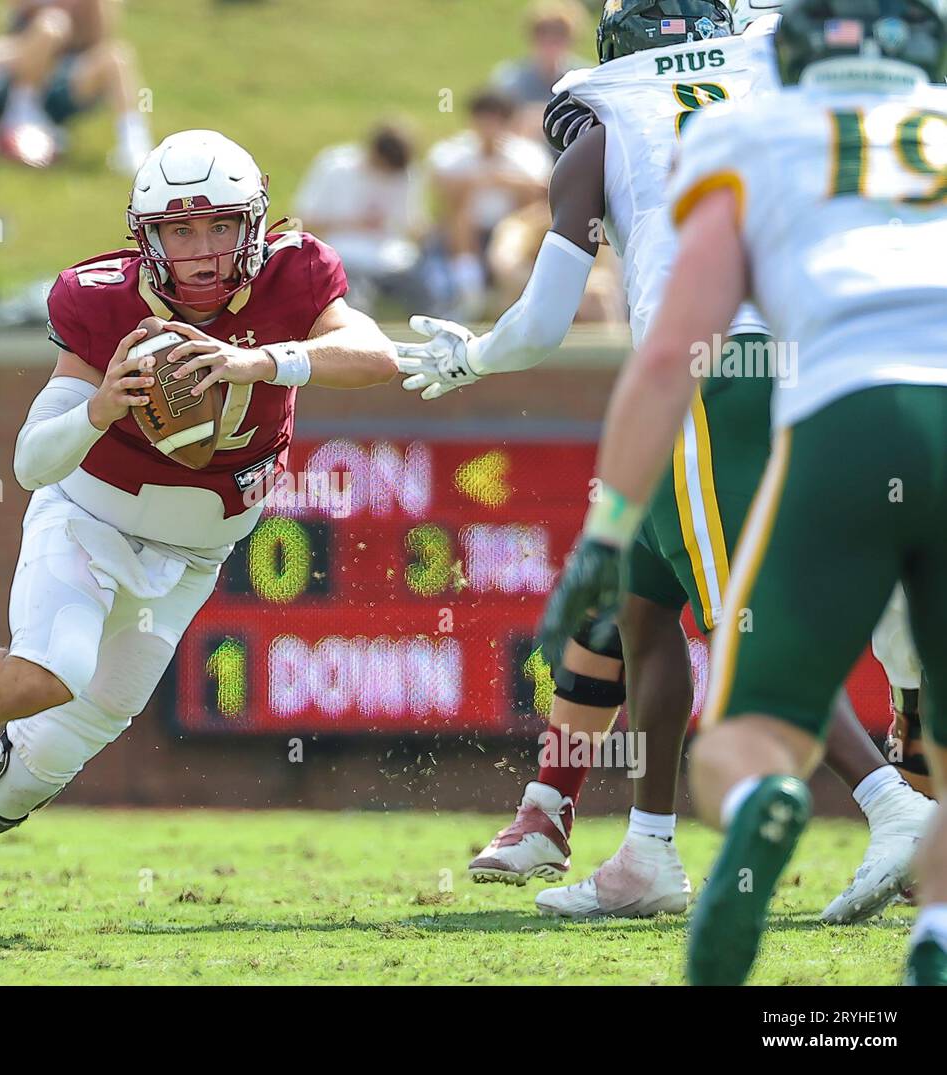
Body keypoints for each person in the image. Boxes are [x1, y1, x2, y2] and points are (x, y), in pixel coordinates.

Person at [395, 0, 933, 924]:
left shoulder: (603, 122)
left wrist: (468, 355)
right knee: (644, 603)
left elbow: (540, 324)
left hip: (712, 369)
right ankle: (647, 852)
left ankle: (893, 807)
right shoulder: (773, 71)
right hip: (819, 350)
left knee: (739, 619)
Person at [0, 129, 397, 934]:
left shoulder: (297, 273)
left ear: (254, 225)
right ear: (147, 240)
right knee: (52, 668)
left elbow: (376, 354)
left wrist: (263, 363)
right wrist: (101, 406)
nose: (203, 251)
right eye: (180, 232)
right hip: (89, 519)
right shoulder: (102, 299)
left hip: (192, 556)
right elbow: (31, 461)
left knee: (41, 765)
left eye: (219, 225)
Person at [535, 0, 947, 984]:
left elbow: (675, 347)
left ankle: (769, 791)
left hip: (842, 413)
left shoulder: (743, 132)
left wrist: (603, 531)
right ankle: (932, 934)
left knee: (749, 711)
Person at [0, 0, 153, 171]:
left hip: (61, 80)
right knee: (52, 26)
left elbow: (98, 38)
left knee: (116, 57)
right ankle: (19, 119)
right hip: (14, 80)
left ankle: (135, 146)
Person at [427, 91, 551, 318]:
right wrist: (479, 180)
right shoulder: (453, 152)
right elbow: (441, 187)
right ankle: (470, 287)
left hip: (511, 228)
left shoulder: (526, 154)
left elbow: (541, 190)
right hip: (467, 230)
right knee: (460, 212)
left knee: (529, 210)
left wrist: (500, 180)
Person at [293, 122, 430, 313]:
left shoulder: (406, 174)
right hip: (344, 256)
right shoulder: (335, 166)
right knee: (357, 300)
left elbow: (413, 224)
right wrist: (354, 224)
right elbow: (303, 221)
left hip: (392, 261)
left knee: (428, 287)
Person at [490, 0, 590, 142]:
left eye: (559, 34)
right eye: (543, 33)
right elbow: (494, 126)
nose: (550, 40)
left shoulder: (584, 79)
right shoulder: (509, 79)